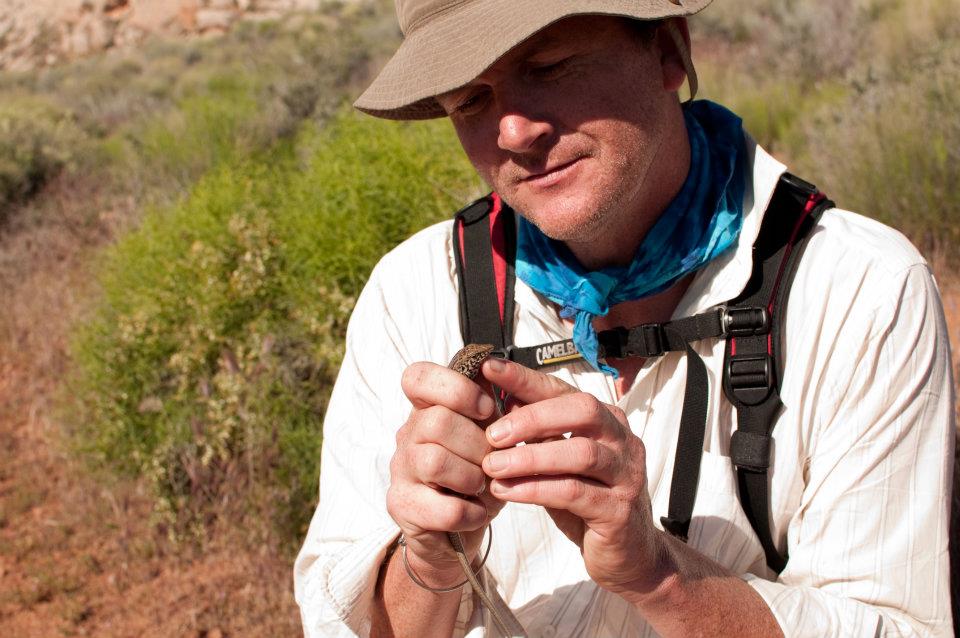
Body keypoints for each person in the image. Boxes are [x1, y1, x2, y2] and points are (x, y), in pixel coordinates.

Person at [294, 1, 956, 636]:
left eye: (549, 65)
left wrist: (661, 577)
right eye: (469, 100)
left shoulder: (861, 290)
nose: (514, 130)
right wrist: (431, 556)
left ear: (668, 50)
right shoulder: (416, 293)